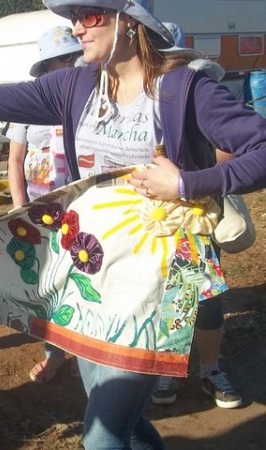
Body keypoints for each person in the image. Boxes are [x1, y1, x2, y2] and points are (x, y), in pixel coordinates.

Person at [0, 0, 266, 447]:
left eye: (89, 16)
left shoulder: (185, 88)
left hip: (166, 274)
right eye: (72, 19)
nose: (76, 29)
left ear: (129, 22)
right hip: (91, 271)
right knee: (122, 421)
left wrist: (190, 182)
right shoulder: (76, 85)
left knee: (102, 436)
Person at [150, 22, 242, 409]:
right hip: (139, 214)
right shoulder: (128, 95)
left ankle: (208, 369)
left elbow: (229, 153)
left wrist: (193, 174)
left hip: (192, 212)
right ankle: (166, 372)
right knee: (154, 296)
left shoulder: (198, 92)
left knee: (200, 297)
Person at [5, 25, 84, 383]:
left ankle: (87, 354)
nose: (66, 65)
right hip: (39, 210)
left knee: (85, 278)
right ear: (45, 67)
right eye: (58, 60)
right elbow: (15, 160)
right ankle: (54, 353)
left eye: (71, 57)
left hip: (85, 208)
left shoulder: (92, 97)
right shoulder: (29, 105)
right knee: (46, 284)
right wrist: (20, 208)